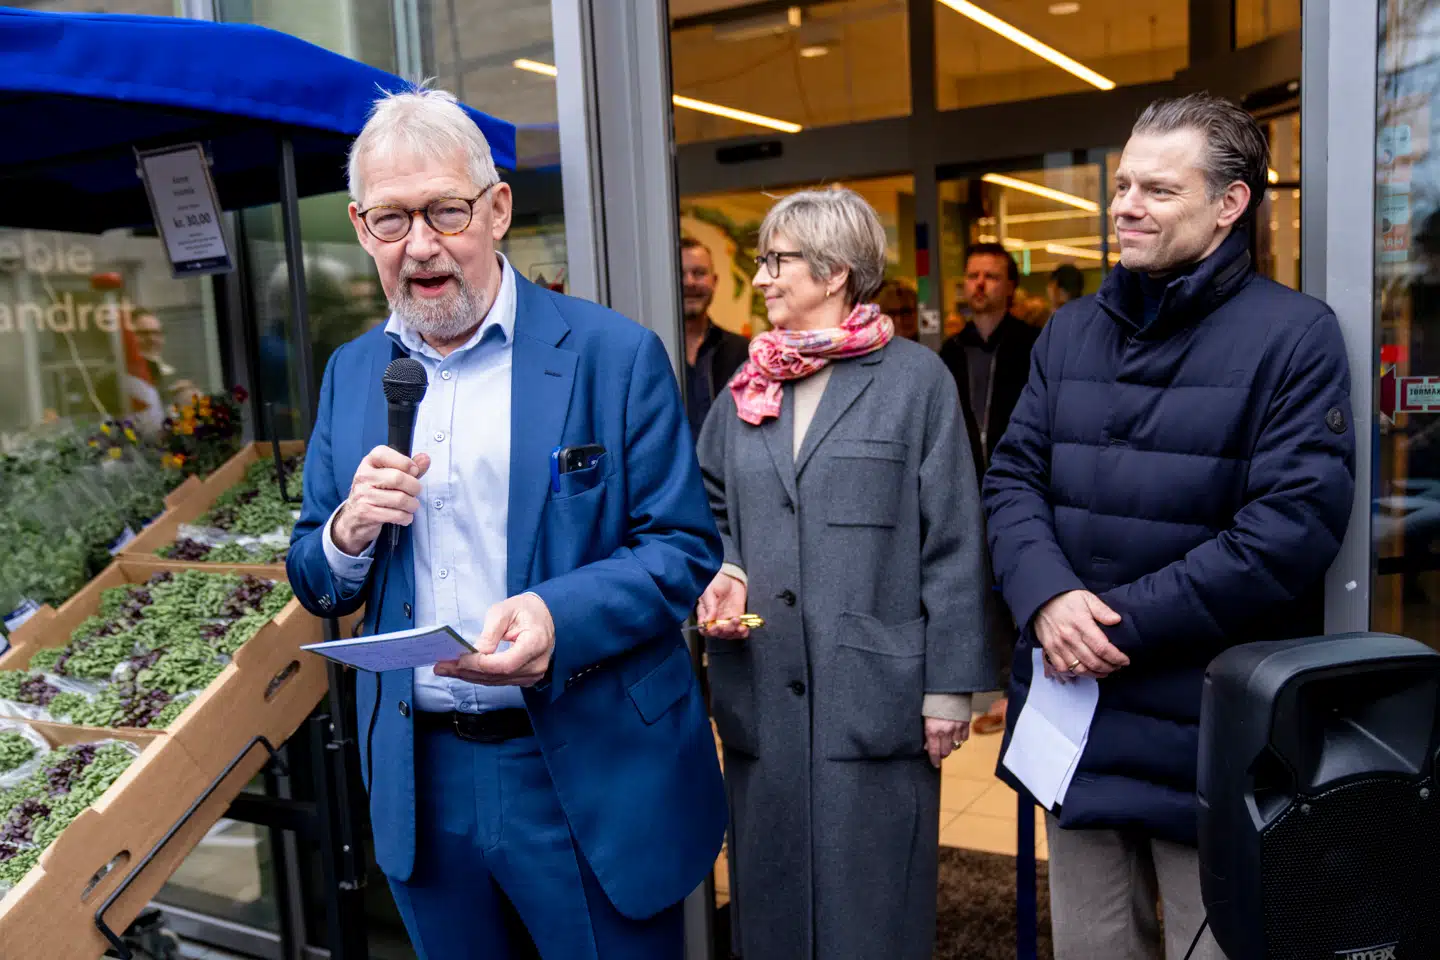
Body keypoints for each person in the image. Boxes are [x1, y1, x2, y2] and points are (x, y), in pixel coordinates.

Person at [287, 87, 727, 959]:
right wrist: (346, 535)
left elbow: (681, 546)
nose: (420, 245)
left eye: (445, 211)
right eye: (390, 220)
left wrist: (559, 615)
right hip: (421, 774)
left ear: (496, 210)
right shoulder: (349, 374)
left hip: (584, 760)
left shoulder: (612, 354)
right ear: (359, 225)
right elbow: (311, 570)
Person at [984, 93, 1355, 960]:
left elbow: (1289, 530)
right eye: (1121, 186)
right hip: (1075, 723)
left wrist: (1107, 625)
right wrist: (1044, 599)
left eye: (1157, 189)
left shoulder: (1294, 337)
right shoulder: (1068, 332)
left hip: (1208, 732)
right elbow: (1010, 478)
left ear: (1230, 204)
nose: (1125, 207)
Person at [695, 187, 993, 960]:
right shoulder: (745, 389)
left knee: (873, 911)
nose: (759, 279)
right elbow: (709, 507)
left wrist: (949, 688)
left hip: (877, 692)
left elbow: (955, 538)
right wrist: (724, 566)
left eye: (776, 261)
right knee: (770, 903)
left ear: (833, 272)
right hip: (763, 681)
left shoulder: (916, 382)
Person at [938, 243, 1038, 735]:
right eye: (972, 275)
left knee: (1019, 580)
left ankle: (1015, 686)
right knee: (974, 584)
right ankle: (987, 681)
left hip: (1019, 486)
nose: (979, 284)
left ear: (1010, 287)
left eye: (991, 276)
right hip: (962, 487)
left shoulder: (1033, 344)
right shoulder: (948, 353)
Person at [681, 235, 749, 437]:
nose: (689, 282)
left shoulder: (742, 351)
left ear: (715, 281)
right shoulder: (650, 351)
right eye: (680, 273)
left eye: (699, 273)